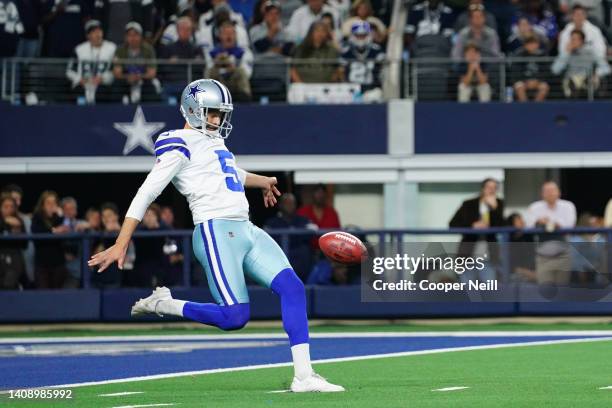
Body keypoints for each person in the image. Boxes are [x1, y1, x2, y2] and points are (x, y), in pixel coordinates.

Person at [88, 78, 344, 393]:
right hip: (215, 232)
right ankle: (165, 305)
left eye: (220, 114)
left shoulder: (212, 142)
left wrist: (261, 180)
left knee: (292, 288)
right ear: (193, 110)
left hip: (246, 228)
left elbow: (226, 172)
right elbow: (147, 191)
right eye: (211, 113)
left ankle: (304, 376)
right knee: (235, 317)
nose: (217, 119)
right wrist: (121, 241)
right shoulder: (177, 141)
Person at [449, 178, 504, 282]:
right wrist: (472, 226)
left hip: (488, 257)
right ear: (483, 189)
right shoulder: (469, 204)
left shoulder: (498, 204)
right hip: (468, 257)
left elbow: (502, 226)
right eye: (489, 187)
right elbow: (453, 224)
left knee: (489, 291)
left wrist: (494, 209)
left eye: (494, 188)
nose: (492, 190)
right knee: (468, 292)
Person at [525, 181, 577, 285]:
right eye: (547, 191)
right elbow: (528, 226)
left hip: (563, 255)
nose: (550, 193)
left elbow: (570, 225)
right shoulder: (535, 207)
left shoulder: (568, 206)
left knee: (562, 293)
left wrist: (555, 223)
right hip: (543, 257)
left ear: (559, 192)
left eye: (552, 190)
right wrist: (538, 222)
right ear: (542, 194)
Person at [264, 193, 316, 281]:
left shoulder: (302, 220)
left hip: (299, 260)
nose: (290, 206)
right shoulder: (271, 223)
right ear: (280, 205)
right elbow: (266, 238)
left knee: (305, 250)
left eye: (292, 203)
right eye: (287, 203)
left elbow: (313, 230)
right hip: (280, 258)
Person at [66, 20, 117, 104]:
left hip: (103, 87)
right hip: (82, 86)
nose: (98, 34)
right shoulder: (79, 49)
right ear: (88, 35)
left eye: (99, 31)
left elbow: (114, 70)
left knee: (105, 93)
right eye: (94, 32)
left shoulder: (112, 48)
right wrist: (80, 79)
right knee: (78, 97)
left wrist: (102, 78)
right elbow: (69, 71)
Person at [552, 29, 610, 99]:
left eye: (574, 39)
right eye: (571, 39)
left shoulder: (590, 53)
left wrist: (597, 74)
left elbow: (606, 68)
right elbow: (555, 70)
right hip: (572, 79)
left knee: (592, 81)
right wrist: (566, 53)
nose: (572, 42)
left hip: (588, 79)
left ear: (581, 41)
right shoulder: (566, 54)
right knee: (571, 82)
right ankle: (575, 92)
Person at [113, 21, 161, 104]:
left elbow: (152, 73)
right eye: (130, 35)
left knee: (152, 92)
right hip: (125, 80)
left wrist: (139, 77)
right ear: (126, 37)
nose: (133, 38)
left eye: (135, 35)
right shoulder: (120, 50)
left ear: (141, 36)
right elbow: (117, 72)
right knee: (115, 89)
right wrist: (128, 77)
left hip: (144, 80)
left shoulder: (148, 50)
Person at [30, 190, 70, 288]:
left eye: (54, 203)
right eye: (48, 203)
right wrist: (54, 231)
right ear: (42, 205)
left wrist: (61, 216)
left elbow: (67, 228)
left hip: (58, 263)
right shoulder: (37, 217)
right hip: (42, 263)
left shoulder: (60, 217)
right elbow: (36, 231)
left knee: (57, 294)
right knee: (43, 294)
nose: (51, 205)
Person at [206, 21, 254, 101]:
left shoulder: (244, 52)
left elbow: (247, 72)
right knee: (210, 71)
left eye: (231, 33)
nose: (228, 36)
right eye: (225, 33)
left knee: (241, 72)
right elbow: (209, 68)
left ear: (235, 36)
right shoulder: (212, 53)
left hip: (236, 86)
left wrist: (232, 68)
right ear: (220, 36)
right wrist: (217, 64)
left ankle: (246, 100)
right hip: (219, 84)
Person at [341, 21, 385, 101]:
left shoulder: (377, 51)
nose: (360, 38)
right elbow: (341, 72)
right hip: (350, 90)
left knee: (376, 95)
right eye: (358, 36)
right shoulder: (346, 52)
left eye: (363, 35)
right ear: (353, 36)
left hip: (371, 89)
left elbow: (382, 71)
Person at [510, 35, 549, 102]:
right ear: (525, 45)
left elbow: (546, 72)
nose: (532, 46)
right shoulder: (519, 55)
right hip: (523, 81)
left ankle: (535, 108)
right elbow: (516, 72)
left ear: (538, 44)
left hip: (538, 81)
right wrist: (526, 81)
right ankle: (525, 108)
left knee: (544, 87)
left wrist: (537, 80)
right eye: (530, 44)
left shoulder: (542, 55)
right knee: (519, 87)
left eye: (534, 43)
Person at [0, 195, 27, 289]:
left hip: (14, 259)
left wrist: (17, 230)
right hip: (1, 257)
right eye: (5, 206)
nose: (9, 209)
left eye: (11, 206)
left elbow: (24, 245)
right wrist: (4, 221)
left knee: (9, 285)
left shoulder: (19, 221)